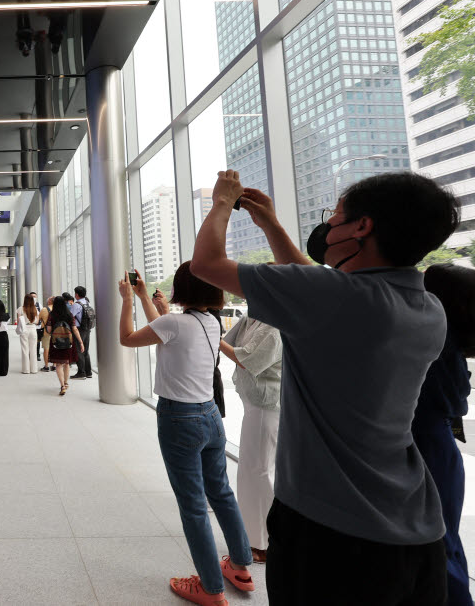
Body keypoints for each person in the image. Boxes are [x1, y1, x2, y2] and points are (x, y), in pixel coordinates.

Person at [190, 170, 460, 605]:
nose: (328, 226)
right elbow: (319, 286)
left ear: (362, 226)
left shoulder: (333, 297)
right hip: (416, 528)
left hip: (331, 532)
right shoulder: (428, 309)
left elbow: (205, 265)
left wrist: (222, 201)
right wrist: (272, 227)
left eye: (334, 217)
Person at [118, 264, 253, 605]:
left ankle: (210, 588)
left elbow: (128, 338)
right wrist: (146, 299)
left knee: (193, 506)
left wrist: (126, 301)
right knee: (221, 493)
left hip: (180, 419)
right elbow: (163, 328)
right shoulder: (210, 322)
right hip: (211, 416)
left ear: (182, 290)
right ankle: (240, 566)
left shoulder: (173, 323)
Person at [415, 264, 475, 606]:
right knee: (445, 539)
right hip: (441, 448)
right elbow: (457, 405)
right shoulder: (446, 341)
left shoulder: (429, 341)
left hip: (426, 449)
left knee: (436, 544)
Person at [220, 310, 283, 565]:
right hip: (254, 401)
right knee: (251, 470)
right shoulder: (251, 317)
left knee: (259, 471)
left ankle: (266, 543)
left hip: (266, 404)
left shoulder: (274, 325)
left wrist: (214, 338)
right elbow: (230, 341)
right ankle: (254, 537)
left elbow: (245, 358)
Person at [46, 294, 84, 396]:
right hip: (69, 342)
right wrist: (80, 342)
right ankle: (66, 383)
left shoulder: (52, 315)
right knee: (67, 363)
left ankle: (62, 385)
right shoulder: (69, 314)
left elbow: (49, 330)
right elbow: (75, 329)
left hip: (56, 342)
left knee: (58, 364)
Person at [71, 286, 94, 379]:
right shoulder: (87, 302)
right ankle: (88, 372)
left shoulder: (77, 305)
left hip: (79, 330)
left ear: (76, 294)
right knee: (85, 350)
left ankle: (81, 372)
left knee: (79, 350)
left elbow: (70, 316)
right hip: (87, 329)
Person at [16, 294, 40, 374]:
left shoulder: (20, 309)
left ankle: (26, 370)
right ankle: (34, 369)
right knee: (33, 349)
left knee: (24, 349)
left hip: (24, 329)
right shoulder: (35, 309)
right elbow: (37, 322)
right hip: (33, 328)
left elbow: (18, 321)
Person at [39, 296, 53, 372]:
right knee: (54, 348)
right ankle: (54, 365)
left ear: (49, 302)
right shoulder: (58, 309)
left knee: (46, 349)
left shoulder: (44, 309)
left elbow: (39, 319)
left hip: (46, 332)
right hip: (56, 332)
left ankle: (46, 366)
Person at [30, 291, 43, 361]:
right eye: (32, 297)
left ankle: (37, 354)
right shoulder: (26, 305)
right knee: (30, 342)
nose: (33, 298)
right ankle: (31, 354)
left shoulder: (39, 305)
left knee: (37, 341)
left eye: (34, 297)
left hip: (37, 326)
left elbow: (41, 314)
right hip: (29, 327)